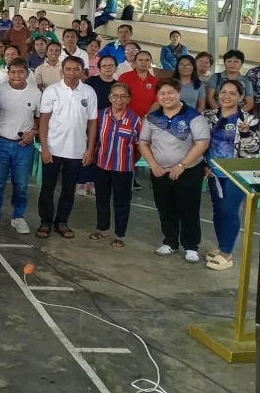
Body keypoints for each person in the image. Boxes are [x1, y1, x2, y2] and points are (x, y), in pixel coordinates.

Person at [138, 79, 210, 263]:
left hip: (189, 171)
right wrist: (153, 164)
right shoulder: (152, 118)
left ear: (179, 93)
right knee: (165, 208)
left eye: (171, 92)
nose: (166, 96)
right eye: (162, 93)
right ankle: (170, 241)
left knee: (189, 209)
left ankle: (191, 246)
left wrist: (182, 165)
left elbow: (202, 143)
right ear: (157, 96)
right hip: (160, 171)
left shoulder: (194, 116)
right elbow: (143, 142)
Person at [37, 56, 97, 239]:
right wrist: (45, 148)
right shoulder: (52, 91)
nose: (72, 73)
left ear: (82, 71)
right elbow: (44, 121)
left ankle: (61, 222)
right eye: (68, 69)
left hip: (77, 151)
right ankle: (45, 222)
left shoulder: (88, 92)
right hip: (53, 150)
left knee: (69, 189)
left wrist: (90, 149)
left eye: (76, 69)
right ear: (62, 70)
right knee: (47, 187)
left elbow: (92, 123)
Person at [202, 80, 260, 270]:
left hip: (238, 173)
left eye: (233, 93)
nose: (226, 96)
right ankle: (221, 247)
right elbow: (200, 142)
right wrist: (204, 164)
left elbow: (254, 148)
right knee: (218, 211)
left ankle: (227, 254)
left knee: (229, 210)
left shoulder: (250, 120)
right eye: (223, 92)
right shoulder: (208, 116)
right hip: (214, 173)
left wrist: (245, 134)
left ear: (241, 97)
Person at [0, 57, 39, 234]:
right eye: (13, 72)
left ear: (27, 73)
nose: (16, 75)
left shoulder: (35, 93)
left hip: (23, 145)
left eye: (20, 72)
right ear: (8, 73)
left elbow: (39, 118)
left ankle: (18, 216)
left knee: (21, 185)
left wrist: (33, 132)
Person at [90, 82, 142, 248]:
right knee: (101, 199)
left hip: (124, 168)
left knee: (122, 202)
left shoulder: (135, 120)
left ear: (128, 99)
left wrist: (130, 160)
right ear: (109, 98)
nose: (119, 99)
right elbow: (94, 138)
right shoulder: (100, 115)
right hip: (101, 165)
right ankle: (102, 229)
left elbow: (140, 146)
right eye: (115, 96)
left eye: (123, 96)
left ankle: (119, 234)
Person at [118, 50, 158, 118]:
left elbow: (157, 102)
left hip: (146, 120)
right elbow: (118, 98)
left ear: (151, 62)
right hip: (124, 118)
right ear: (135, 62)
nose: (143, 63)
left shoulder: (156, 81)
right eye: (140, 60)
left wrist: (145, 118)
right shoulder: (124, 77)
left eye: (147, 60)